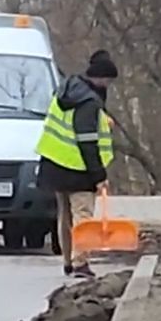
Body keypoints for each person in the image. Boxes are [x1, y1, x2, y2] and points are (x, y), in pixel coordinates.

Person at [37, 49, 118, 278]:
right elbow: (86, 141)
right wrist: (99, 175)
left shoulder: (67, 89)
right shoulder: (89, 102)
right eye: (108, 81)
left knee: (65, 215)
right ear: (101, 78)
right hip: (78, 167)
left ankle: (68, 260)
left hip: (54, 163)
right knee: (83, 214)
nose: (108, 86)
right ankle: (81, 263)